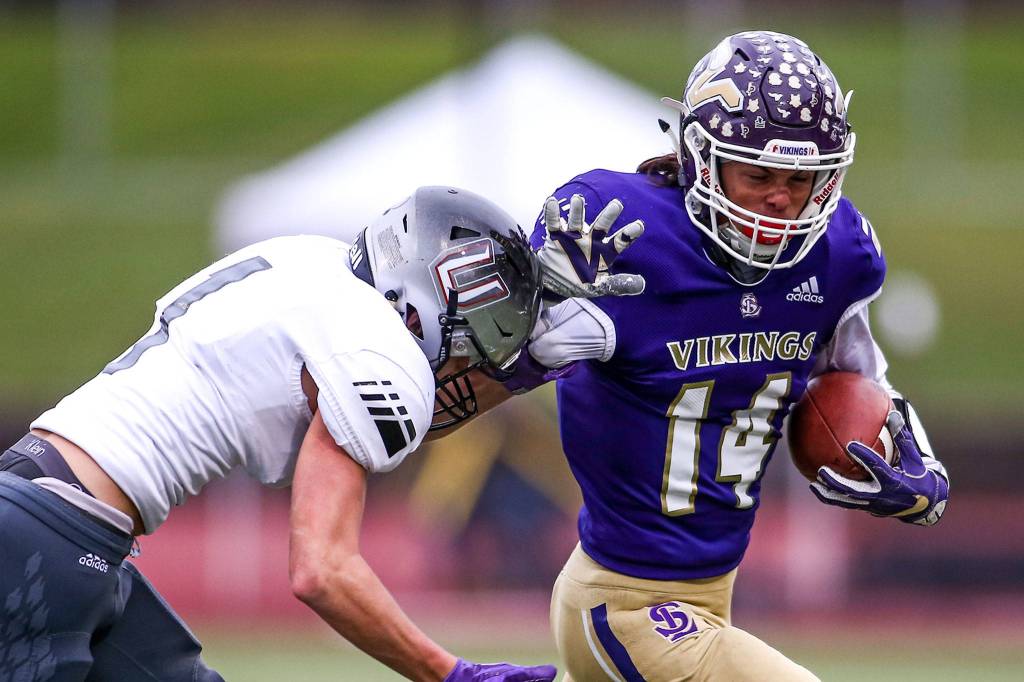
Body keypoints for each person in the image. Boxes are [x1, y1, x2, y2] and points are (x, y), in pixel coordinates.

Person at [510, 30, 951, 681]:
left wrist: (923, 475)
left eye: (800, 179)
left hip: (712, 599)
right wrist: (539, 308)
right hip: (622, 603)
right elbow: (503, 365)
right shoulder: (628, 235)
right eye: (759, 175)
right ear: (699, 158)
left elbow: (860, 383)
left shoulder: (837, 256)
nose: (781, 198)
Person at [0, 186, 569, 682]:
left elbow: (409, 417)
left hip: (51, 513)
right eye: (477, 329)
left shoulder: (315, 261)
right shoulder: (377, 351)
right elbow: (322, 571)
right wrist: (450, 673)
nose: (470, 357)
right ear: (423, 298)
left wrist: (521, 374)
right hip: (56, 537)